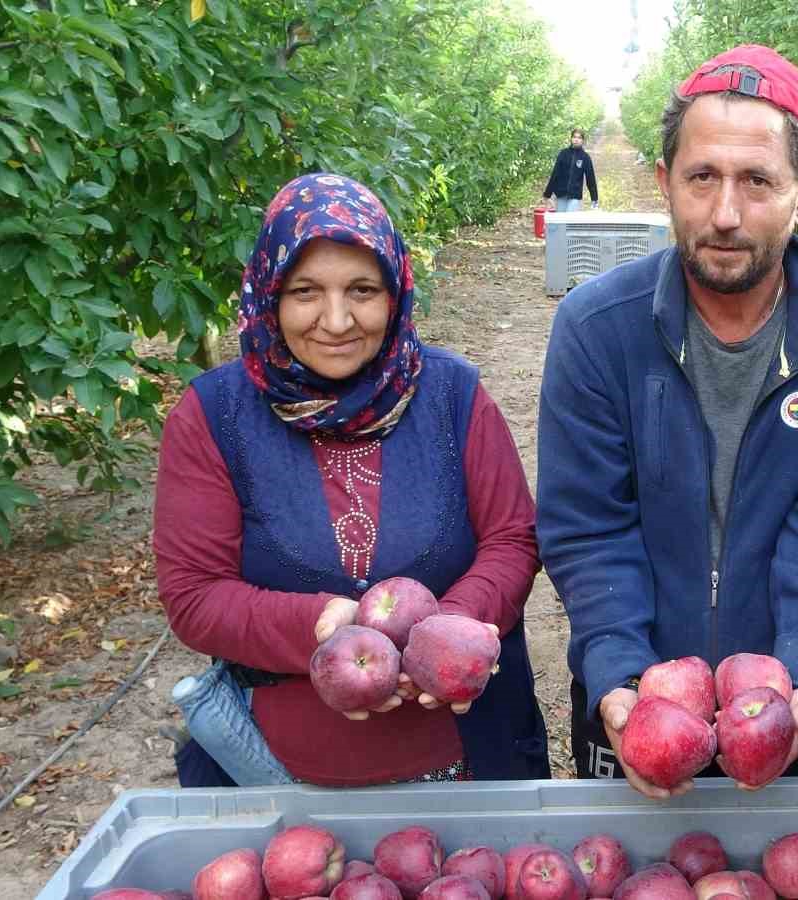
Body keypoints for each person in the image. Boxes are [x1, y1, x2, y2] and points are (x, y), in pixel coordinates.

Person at [536, 45, 798, 800]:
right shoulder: (597, 328)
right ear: (664, 183)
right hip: (634, 702)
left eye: (758, 181)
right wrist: (616, 673)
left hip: (784, 708)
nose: (726, 214)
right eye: (702, 177)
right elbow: (588, 527)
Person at [153, 172, 549, 787]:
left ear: (395, 292)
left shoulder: (451, 395)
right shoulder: (212, 417)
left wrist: (446, 633)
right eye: (306, 291)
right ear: (268, 293)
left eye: (362, 289)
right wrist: (319, 623)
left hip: (465, 756)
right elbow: (196, 595)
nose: (336, 321)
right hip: (281, 770)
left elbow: (512, 540)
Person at [542, 128, 599, 212]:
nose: (576, 139)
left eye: (579, 138)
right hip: (561, 194)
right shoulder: (563, 154)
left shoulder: (585, 157)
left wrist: (594, 198)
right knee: (561, 222)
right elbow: (555, 174)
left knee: (569, 221)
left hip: (575, 196)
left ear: (583, 140)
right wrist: (547, 194)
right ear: (571, 138)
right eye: (574, 137)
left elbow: (590, 179)